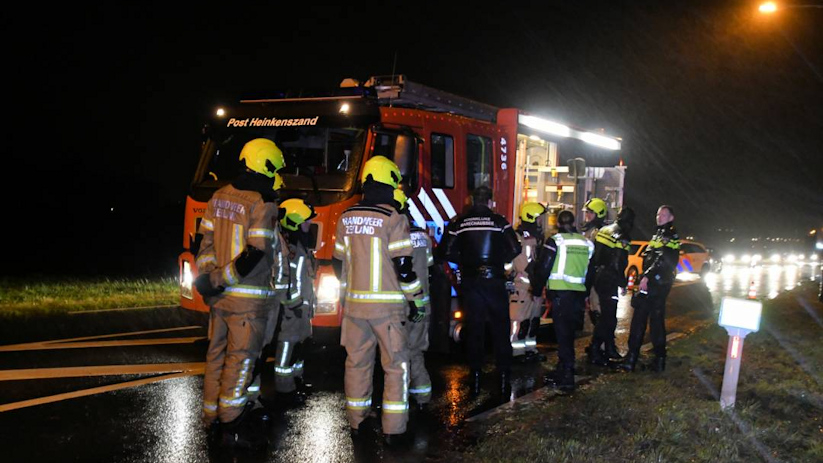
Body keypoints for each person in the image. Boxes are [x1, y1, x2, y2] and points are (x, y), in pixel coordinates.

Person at [194, 138, 285, 449]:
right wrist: (222, 278)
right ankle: (232, 420)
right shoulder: (263, 203)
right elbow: (255, 253)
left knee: (215, 356)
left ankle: (210, 417)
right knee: (241, 359)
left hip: (219, 299)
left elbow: (203, 245)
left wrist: (208, 278)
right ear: (267, 165)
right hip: (248, 300)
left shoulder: (218, 196)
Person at [332, 155, 425, 445]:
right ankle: (394, 431)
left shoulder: (345, 217)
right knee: (396, 367)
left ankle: (357, 425)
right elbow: (405, 268)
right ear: (390, 182)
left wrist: (348, 294)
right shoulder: (393, 219)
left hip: (355, 309)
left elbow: (338, 264)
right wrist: (417, 300)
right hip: (387, 310)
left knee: (357, 364)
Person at [438, 185, 521, 395]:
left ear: (471, 200)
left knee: (475, 330)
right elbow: (515, 248)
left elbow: (444, 251)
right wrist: (496, 262)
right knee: (501, 329)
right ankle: (503, 377)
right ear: (490, 201)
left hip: (471, 282)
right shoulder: (499, 222)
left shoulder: (459, 223)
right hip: (495, 281)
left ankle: (475, 377)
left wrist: (467, 262)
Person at [530, 210, 594, 392]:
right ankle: (564, 368)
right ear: (574, 222)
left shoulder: (556, 241)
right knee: (569, 333)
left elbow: (544, 267)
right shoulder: (586, 243)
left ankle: (566, 376)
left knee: (563, 334)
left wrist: (536, 289)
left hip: (561, 294)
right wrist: (586, 292)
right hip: (577, 295)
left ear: (558, 223)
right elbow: (591, 271)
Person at [620, 205, 680, 373]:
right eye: (658, 213)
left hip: (657, 284)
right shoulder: (660, 234)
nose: (659, 216)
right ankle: (654, 360)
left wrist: (647, 276)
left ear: (671, 218)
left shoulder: (668, 235)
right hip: (657, 283)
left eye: (664, 214)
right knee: (653, 320)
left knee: (642, 319)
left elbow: (662, 259)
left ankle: (632, 360)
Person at [271, 198, 317, 404]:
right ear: (295, 221)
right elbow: (287, 281)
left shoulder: (300, 244)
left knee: (300, 347)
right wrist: (294, 303)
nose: (310, 224)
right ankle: (284, 389)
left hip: (301, 308)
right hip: (292, 309)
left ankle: (296, 381)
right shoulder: (289, 248)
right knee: (287, 348)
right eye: (306, 220)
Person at [393, 189, 434, 410]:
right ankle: (422, 396)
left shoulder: (394, 236)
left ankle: (401, 399)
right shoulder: (423, 237)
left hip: (401, 304)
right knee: (416, 351)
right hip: (422, 303)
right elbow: (427, 266)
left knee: (400, 353)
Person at [587, 207, 635, 366]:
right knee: (608, 318)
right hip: (610, 278)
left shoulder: (604, 230)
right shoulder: (623, 235)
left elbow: (595, 256)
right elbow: (618, 262)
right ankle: (596, 349)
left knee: (607, 316)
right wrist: (622, 283)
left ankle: (607, 349)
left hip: (599, 276)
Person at [508, 202, 548, 363]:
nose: (541, 222)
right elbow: (525, 265)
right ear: (531, 218)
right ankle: (516, 353)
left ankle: (530, 349)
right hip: (522, 286)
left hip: (534, 286)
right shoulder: (520, 238)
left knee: (533, 321)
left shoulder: (535, 238)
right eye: (539, 218)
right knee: (520, 322)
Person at [581, 197, 607, 354]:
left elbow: (594, 258)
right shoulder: (590, 231)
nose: (587, 216)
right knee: (594, 312)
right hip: (591, 276)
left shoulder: (598, 233)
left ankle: (601, 346)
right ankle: (598, 344)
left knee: (598, 312)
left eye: (590, 213)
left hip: (596, 278)